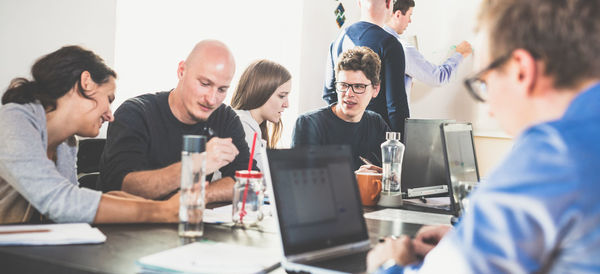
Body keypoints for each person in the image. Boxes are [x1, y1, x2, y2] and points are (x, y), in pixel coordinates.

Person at [367, 0, 600, 272]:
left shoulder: (553, 155)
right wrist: (466, 242)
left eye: (485, 83)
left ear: (521, 70)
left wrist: (391, 263)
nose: (489, 111)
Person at [0, 46, 178, 224]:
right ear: (86, 82)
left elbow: (71, 204)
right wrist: (163, 211)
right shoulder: (12, 119)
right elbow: (60, 202)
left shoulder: (67, 143)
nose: (110, 115)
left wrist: (132, 202)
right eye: (108, 99)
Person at [97, 40, 255, 202]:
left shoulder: (225, 118)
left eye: (222, 89)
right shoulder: (135, 113)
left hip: (191, 223)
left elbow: (248, 181)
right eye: (205, 84)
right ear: (181, 71)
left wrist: (197, 196)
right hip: (132, 225)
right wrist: (194, 166)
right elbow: (119, 188)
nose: (212, 99)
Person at [294, 46, 390, 171]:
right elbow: (304, 182)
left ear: (375, 89)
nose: (349, 93)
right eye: (343, 85)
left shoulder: (376, 123)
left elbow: (393, 174)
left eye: (359, 86)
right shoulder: (309, 123)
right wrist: (356, 180)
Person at [323, 0, 409, 135]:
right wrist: (400, 147)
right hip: (377, 141)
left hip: (341, 138)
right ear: (389, 4)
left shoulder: (338, 40)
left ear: (359, 3)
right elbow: (395, 106)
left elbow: (329, 94)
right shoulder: (390, 45)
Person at [383, 0, 473, 108]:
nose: (410, 21)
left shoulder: (373, 40)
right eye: (409, 15)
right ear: (398, 14)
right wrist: (459, 54)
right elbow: (438, 77)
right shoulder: (402, 48)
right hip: (391, 121)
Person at [230, 59, 291, 172]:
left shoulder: (252, 127)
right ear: (261, 92)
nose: (287, 104)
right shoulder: (242, 126)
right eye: (282, 96)